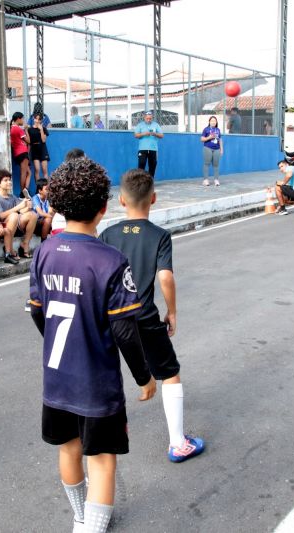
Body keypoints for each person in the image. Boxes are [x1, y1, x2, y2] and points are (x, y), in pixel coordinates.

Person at [27, 157, 156, 533]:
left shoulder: (43, 252)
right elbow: (125, 331)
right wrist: (144, 376)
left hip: (57, 377)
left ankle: (81, 517)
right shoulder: (111, 260)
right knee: (101, 458)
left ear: (56, 205)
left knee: (67, 448)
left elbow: (37, 312)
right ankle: (92, 527)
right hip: (95, 382)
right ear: (103, 207)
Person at [100, 168, 205, 463]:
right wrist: (172, 312)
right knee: (169, 373)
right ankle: (177, 443)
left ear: (121, 200)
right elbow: (165, 278)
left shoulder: (108, 233)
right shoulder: (160, 235)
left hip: (111, 318)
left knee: (107, 372)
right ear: (154, 199)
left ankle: (111, 429)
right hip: (145, 317)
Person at [0, 169, 37, 259]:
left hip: (16, 225)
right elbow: (0, 216)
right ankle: (9, 248)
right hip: (3, 227)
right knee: (14, 215)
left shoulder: (12, 196)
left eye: (9, 180)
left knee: (33, 215)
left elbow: (22, 211)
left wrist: (28, 206)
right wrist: (18, 207)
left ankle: (25, 243)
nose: (9, 182)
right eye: (5, 180)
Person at [134, 110, 163, 178]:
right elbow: (136, 135)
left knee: (153, 165)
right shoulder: (140, 125)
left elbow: (161, 135)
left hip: (153, 149)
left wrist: (155, 133)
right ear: (144, 117)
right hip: (142, 149)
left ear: (152, 118)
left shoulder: (156, 125)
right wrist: (144, 134)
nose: (149, 120)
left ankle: (150, 180)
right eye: (147, 118)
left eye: (150, 118)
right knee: (142, 163)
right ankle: (140, 180)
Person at [10, 112, 31, 194]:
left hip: (17, 153)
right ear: (18, 119)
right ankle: (22, 193)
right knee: (24, 173)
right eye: (22, 118)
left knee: (28, 172)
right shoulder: (18, 129)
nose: (23, 120)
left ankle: (25, 190)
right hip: (22, 152)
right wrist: (25, 129)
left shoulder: (12, 128)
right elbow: (29, 141)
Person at [201, 116, 224, 187]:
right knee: (206, 163)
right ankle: (205, 180)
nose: (213, 122)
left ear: (216, 122)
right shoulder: (206, 129)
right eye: (212, 121)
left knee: (216, 164)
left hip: (216, 149)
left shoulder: (218, 130)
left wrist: (221, 149)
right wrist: (209, 137)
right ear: (209, 122)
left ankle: (216, 180)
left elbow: (220, 140)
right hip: (208, 148)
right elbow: (202, 139)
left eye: (214, 121)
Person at [28, 111, 50, 183]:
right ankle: (38, 188)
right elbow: (28, 142)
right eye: (36, 119)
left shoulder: (43, 129)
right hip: (34, 150)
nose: (37, 121)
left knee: (44, 170)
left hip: (43, 149)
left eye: (39, 119)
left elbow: (43, 140)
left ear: (41, 120)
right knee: (37, 169)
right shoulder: (30, 129)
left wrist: (41, 130)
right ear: (33, 119)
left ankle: (46, 188)